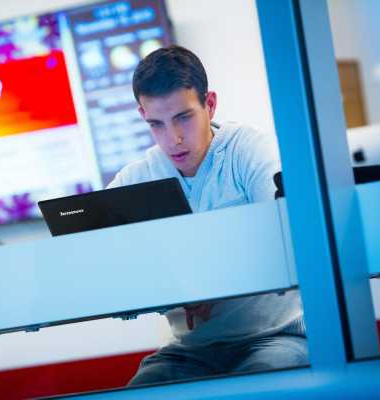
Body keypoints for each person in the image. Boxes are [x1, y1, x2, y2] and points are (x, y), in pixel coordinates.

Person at [107, 45, 307, 385]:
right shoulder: (136, 178)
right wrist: (170, 287)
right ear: (143, 115)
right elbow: (104, 261)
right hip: (190, 350)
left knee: (267, 384)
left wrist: (215, 283)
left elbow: (284, 237)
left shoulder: (249, 151)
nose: (174, 139)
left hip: (275, 336)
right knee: (141, 391)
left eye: (184, 117)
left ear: (209, 104)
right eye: (157, 124)